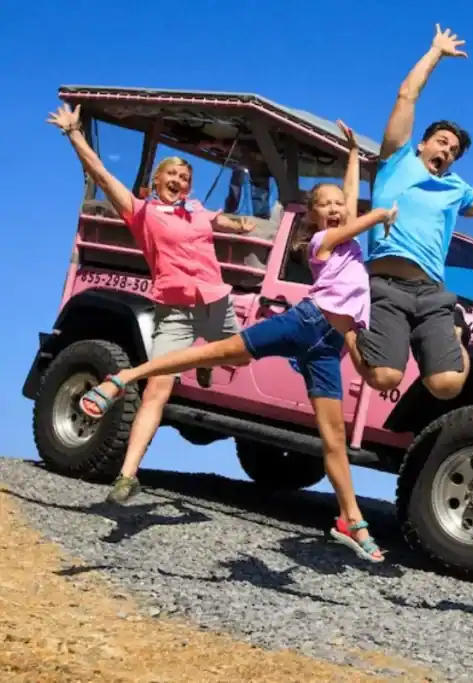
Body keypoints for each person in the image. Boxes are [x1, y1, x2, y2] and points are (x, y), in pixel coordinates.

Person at [76, 122, 396, 563]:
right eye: (326, 205)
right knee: (212, 351)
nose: (337, 208)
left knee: (333, 439)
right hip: (305, 322)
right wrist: (376, 215)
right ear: (314, 216)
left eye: (341, 203)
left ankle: (350, 519)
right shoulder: (321, 242)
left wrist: (353, 156)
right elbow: (348, 223)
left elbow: (349, 195)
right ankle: (122, 377)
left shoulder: (349, 243)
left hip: (327, 346)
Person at [48, 102, 257, 505]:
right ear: (156, 181)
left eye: (184, 176)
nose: (179, 180)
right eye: (172, 175)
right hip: (175, 309)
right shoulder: (142, 212)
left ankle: (204, 362)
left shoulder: (196, 210)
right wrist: (74, 134)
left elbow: (220, 220)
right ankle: (127, 476)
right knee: (158, 389)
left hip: (214, 302)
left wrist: (238, 223)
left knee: (239, 358)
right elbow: (103, 176)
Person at [351, 24, 473, 401]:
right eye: (441, 142)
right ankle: (344, 323)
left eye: (453, 150)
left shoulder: (456, 189)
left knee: (447, 386)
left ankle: (456, 326)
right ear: (422, 144)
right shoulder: (396, 162)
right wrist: (435, 52)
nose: (446, 151)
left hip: (431, 292)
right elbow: (406, 96)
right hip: (385, 286)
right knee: (383, 378)